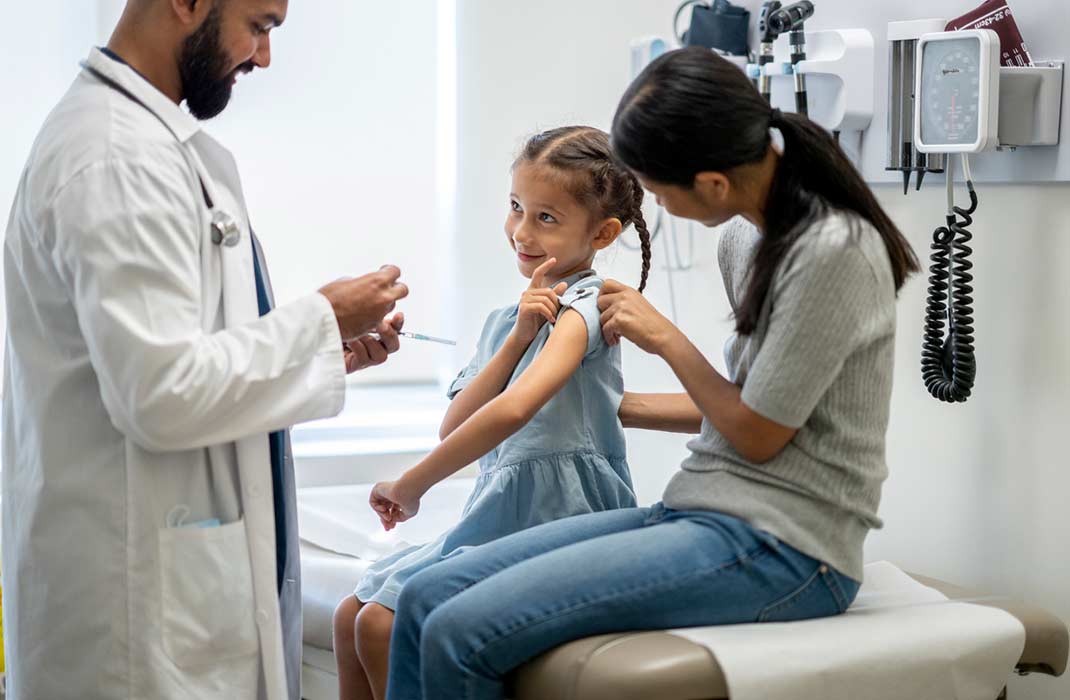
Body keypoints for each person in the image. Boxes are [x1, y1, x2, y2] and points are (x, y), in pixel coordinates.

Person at [382, 46, 921, 700]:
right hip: (701, 509)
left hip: (793, 549)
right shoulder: (744, 238)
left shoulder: (833, 251)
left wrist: (663, 336)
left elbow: (757, 434)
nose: (654, 209)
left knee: (458, 630)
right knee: (426, 597)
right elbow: (744, 406)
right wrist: (606, 402)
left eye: (659, 192)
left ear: (713, 185)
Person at [1, 1, 408, 698]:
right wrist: (319, 317)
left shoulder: (147, 143)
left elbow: (176, 352)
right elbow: (160, 394)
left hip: (164, 586)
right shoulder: (115, 157)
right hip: (133, 615)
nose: (264, 57)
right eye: (261, 24)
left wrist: (321, 348)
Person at [331, 125, 653, 700]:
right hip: (501, 511)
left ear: (603, 233)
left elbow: (515, 409)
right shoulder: (507, 320)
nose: (521, 232)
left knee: (380, 624)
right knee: (348, 614)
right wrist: (516, 335)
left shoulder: (586, 305)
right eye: (515, 208)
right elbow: (454, 425)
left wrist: (412, 485)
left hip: (564, 514)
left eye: (546, 218)